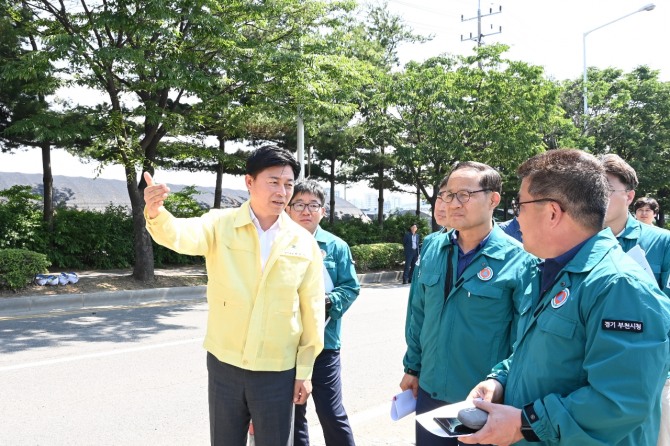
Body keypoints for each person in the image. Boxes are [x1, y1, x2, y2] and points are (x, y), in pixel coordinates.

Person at [461, 149, 670, 446]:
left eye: (520, 206)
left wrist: (525, 423)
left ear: (552, 212)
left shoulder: (620, 286)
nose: (516, 219)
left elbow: (619, 402)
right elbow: (536, 354)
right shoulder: (554, 270)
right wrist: (499, 381)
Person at [143, 145, 325, 446]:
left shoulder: (303, 243)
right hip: (225, 365)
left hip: (277, 370)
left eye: (288, 184)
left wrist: (304, 371)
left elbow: (312, 311)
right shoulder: (220, 225)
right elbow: (180, 234)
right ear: (249, 182)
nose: (282, 192)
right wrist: (156, 212)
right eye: (274, 182)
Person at [401, 161, 536, 446]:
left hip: (481, 400)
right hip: (429, 392)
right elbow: (418, 313)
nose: (453, 203)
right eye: (448, 194)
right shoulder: (433, 247)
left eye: (465, 195)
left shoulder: (520, 260)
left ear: (493, 200)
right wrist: (412, 367)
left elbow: (524, 340)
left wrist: (502, 386)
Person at [599, 154, 670, 446]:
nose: (597, 196)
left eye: (606, 189)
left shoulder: (661, 242)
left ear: (629, 196)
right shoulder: (579, 241)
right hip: (593, 365)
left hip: (649, 371)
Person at [285, 180, 360, 446]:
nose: (306, 211)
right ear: (288, 209)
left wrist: (326, 301)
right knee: (293, 413)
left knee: (330, 411)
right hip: (285, 345)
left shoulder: (336, 246)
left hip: (324, 343)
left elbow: (350, 287)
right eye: (299, 204)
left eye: (313, 205)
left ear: (323, 211)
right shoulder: (278, 242)